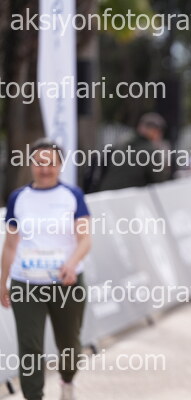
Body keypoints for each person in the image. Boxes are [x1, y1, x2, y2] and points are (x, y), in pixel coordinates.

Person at [0, 139, 91, 400]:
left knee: (69, 346)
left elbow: (85, 238)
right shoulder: (19, 198)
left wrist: (71, 264)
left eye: (51, 163)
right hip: (26, 282)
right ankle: (33, 396)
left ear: (60, 166)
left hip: (66, 282)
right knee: (30, 348)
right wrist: (3, 280)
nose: (45, 169)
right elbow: (10, 244)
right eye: (39, 163)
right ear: (31, 165)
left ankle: (67, 381)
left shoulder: (72, 196)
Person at [97, 112, 171, 191]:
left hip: (106, 193)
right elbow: (160, 180)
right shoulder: (150, 150)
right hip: (129, 195)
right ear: (155, 131)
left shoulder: (121, 144)